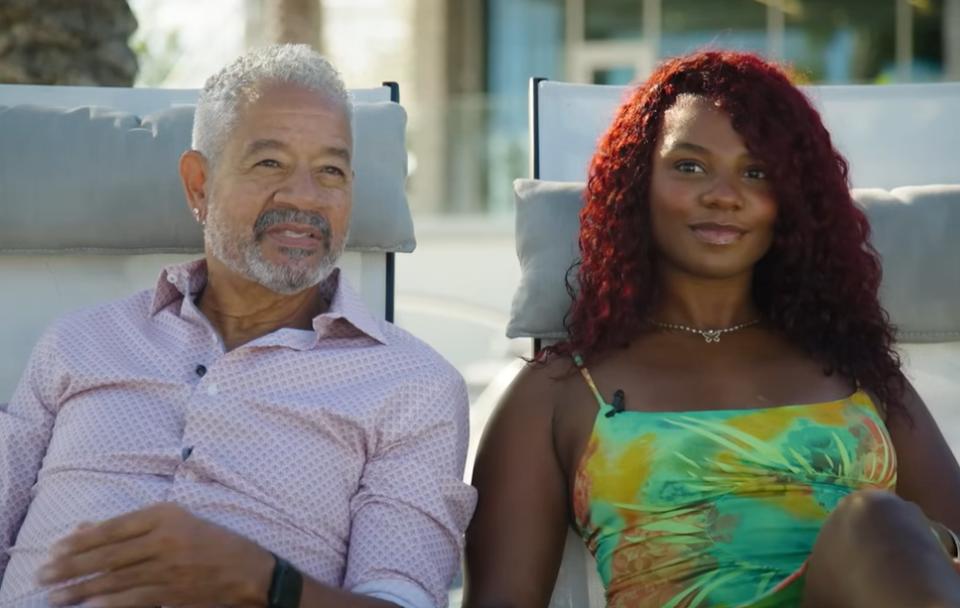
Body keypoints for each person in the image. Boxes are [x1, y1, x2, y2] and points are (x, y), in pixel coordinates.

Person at [464, 51, 960, 608]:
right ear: (636, 183)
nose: (724, 195)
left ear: (792, 202)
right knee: (877, 522)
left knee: (875, 524)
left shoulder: (858, 368)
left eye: (757, 172)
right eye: (690, 166)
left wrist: (909, 542)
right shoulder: (555, 392)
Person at [0, 44, 475, 608]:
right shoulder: (79, 343)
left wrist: (266, 582)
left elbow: (401, 600)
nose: (304, 197)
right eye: (270, 163)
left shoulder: (413, 388)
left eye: (330, 171)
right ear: (199, 184)